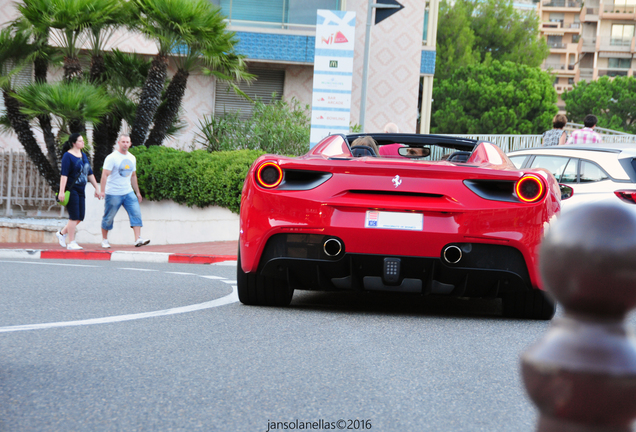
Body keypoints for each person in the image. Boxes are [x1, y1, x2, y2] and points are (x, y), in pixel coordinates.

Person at [98, 134, 150, 248]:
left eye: (127, 142)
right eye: (123, 142)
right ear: (119, 143)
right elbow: (104, 175)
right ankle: (105, 240)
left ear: (130, 144)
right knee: (109, 217)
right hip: (113, 193)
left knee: (136, 213)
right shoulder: (112, 157)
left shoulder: (132, 158)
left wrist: (137, 192)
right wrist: (102, 191)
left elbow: (133, 176)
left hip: (128, 192)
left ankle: (138, 239)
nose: (125, 144)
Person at [55, 133, 101, 250]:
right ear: (74, 143)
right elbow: (64, 175)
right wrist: (61, 191)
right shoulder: (67, 156)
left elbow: (89, 172)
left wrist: (97, 187)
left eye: (83, 141)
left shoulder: (83, 156)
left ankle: (61, 233)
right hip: (72, 189)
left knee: (80, 216)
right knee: (74, 216)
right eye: (80, 141)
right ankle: (71, 242)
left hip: (81, 189)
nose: (83, 143)